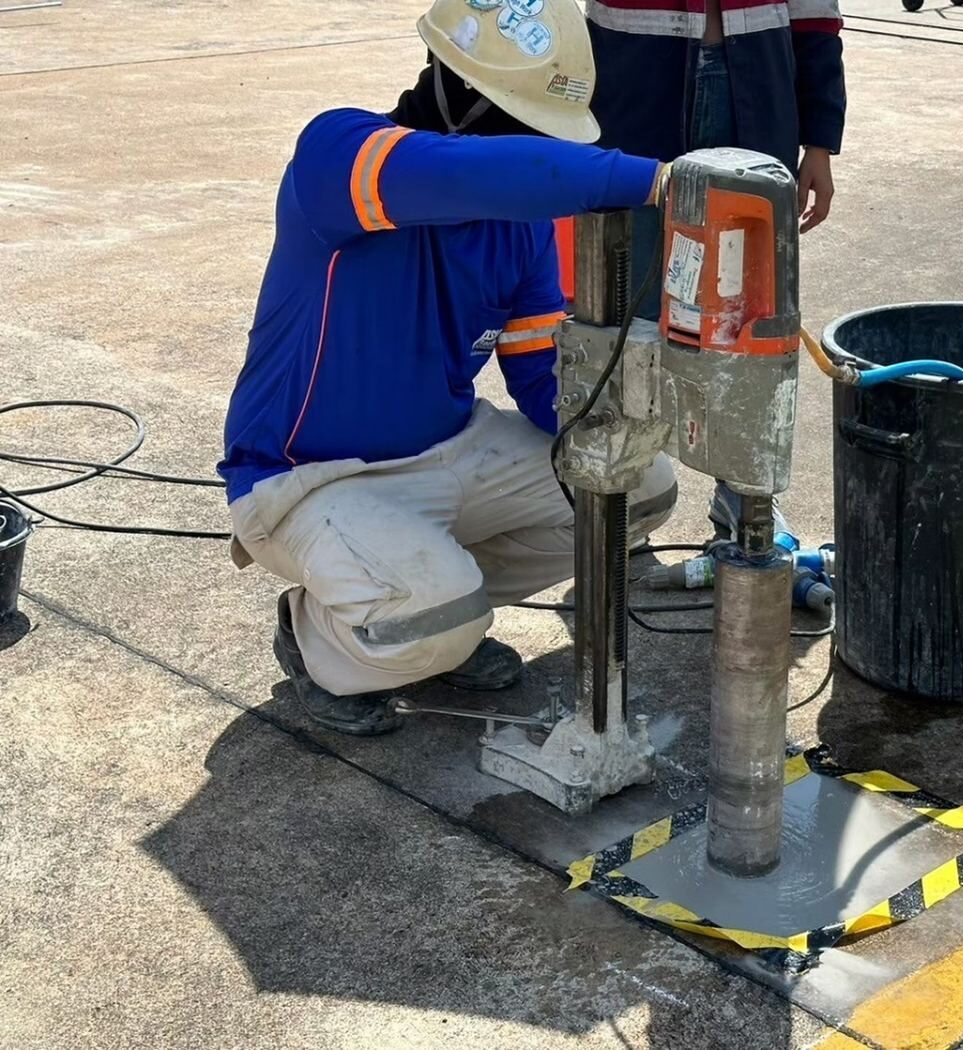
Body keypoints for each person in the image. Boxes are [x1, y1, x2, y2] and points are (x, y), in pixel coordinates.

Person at [218, 0, 677, 737]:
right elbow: (478, 174)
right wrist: (664, 182)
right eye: (522, 119)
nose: (535, 144)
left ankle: (422, 605)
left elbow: (536, 379)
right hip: (308, 478)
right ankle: (324, 635)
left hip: (452, 450)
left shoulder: (520, 226)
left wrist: (617, 412)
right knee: (437, 620)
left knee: (636, 487)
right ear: (456, 90)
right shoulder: (337, 156)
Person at [584, 0, 846, 539]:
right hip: (632, 81)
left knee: (747, 308)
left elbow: (816, 12)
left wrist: (818, 140)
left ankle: (743, 494)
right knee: (630, 299)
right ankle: (622, 492)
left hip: (756, 84)